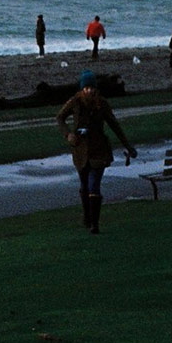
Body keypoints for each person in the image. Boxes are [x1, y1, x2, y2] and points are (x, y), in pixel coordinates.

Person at [55, 70, 136, 234]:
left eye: (92, 87)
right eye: (86, 88)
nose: (89, 91)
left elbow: (115, 125)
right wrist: (68, 134)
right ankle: (87, 216)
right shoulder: (75, 102)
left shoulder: (102, 103)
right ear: (82, 88)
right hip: (80, 150)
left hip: (99, 150)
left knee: (94, 185)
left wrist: (128, 147)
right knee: (84, 186)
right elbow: (60, 118)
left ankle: (94, 224)